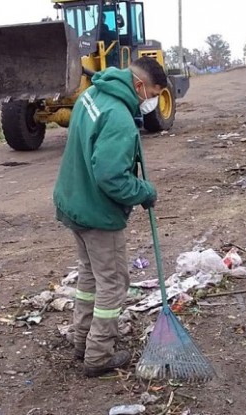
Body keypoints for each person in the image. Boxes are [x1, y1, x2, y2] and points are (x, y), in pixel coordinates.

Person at [52, 57, 165, 378]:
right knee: (113, 283)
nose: (150, 103)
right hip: (97, 212)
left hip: (73, 202)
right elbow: (112, 177)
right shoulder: (118, 117)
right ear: (140, 85)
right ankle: (99, 354)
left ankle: (81, 338)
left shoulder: (92, 95)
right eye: (152, 95)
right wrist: (144, 191)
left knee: (89, 276)